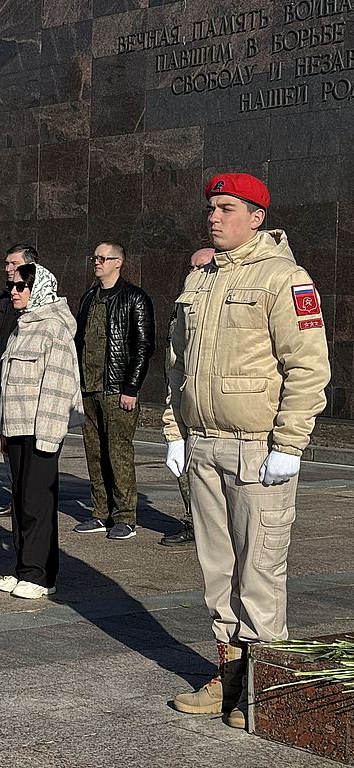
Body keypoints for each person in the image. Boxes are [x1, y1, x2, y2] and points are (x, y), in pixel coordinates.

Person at [165, 173, 330, 729]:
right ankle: (230, 677)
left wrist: (290, 443)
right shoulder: (201, 280)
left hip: (258, 448)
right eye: (211, 208)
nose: (214, 217)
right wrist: (175, 431)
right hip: (205, 446)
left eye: (227, 208)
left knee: (259, 573)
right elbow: (177, 363)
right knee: (218, 572)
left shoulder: (285, 278)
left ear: (257, 216)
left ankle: (265, 692)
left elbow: (307, 367)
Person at [0, 263, 82, 599]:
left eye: (21, 287)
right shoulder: (21, 326)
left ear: (38, 289)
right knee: (19, 500)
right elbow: (7, 384)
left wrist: (48, 435)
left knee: (37, 502)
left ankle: (40, 574)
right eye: (12, 286)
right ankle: (22, 567)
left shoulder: (54, 329)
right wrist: (1, 426)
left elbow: (58, 387)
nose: (14, 292)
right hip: (16, 429)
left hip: (40, 429)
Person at [73, 241, 155, 540]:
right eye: (94, 257)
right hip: (88, 388)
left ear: (118, 262)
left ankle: (125, 516)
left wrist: (131, 387)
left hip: (117, 388)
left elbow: (143, 346)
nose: (97, 262)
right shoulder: (88, 298)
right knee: (93, 453)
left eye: (103, 258)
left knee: (118, 453)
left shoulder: (134, 298)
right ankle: (100, 512)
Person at [160, 247, 215, 547]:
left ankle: (202, 525)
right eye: (191, 266)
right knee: (184, 469)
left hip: (206, 402)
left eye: (201, 266)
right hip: (180, 394)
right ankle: (192, 520)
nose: (193, 272)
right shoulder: (183, 303)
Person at [0, 243, 38, 519]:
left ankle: (28, 499)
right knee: (6, 444)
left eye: (13, 263)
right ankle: (16, 496)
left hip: (28, 390)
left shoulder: (39, 302)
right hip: (3, 384)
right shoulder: (2, 299)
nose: (8, 268)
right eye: (7, 263)